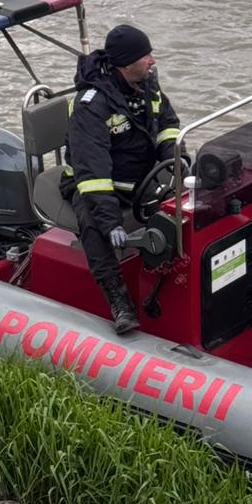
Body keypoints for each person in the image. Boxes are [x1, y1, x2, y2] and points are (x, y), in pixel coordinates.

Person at [59, 23, 179, 335]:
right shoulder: (91, 106)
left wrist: (174, 162)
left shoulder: (146, 85)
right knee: (94, 223)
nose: (152, 60)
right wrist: (111, 222)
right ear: (126, 64)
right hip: (93, 185)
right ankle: (118, 300)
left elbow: (167, 122)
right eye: (146, 55)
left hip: (142, 178)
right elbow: (93, 174)